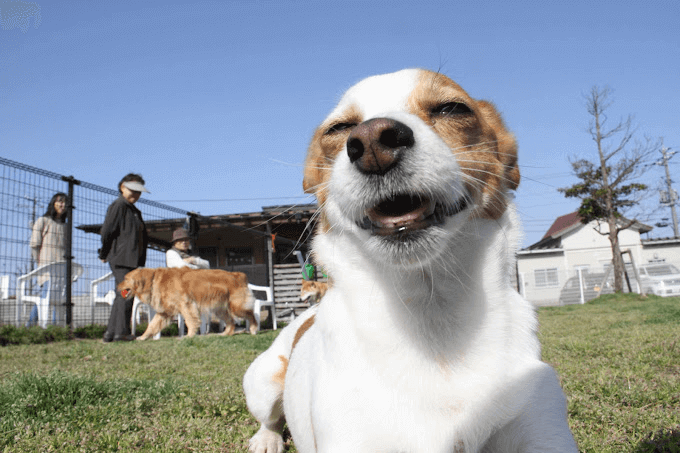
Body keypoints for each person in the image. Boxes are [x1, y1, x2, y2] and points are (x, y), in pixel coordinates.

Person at [99, 174, 149, 342]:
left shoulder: (134, 211)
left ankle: (111, 333)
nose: (136, 194)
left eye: (139, 192)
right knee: (126, 293)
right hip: (121, 259)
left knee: (122, 294)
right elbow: (107, 231)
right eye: (132, 190)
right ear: (122, 187)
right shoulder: (119, 205)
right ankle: (122, 332)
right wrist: (104, 253)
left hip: (132, 261)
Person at [27, 192, 67, 327]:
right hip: (47, 267)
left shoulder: (65, 226)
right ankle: (31, 326)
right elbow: (34, 244)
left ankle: (56, 328)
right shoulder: (43, 221)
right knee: (46, 296)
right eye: (60, 202)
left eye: (65, 203)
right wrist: (40, 263)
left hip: (63, 269)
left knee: (59, 299)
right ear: (53, 204)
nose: (63, 205)